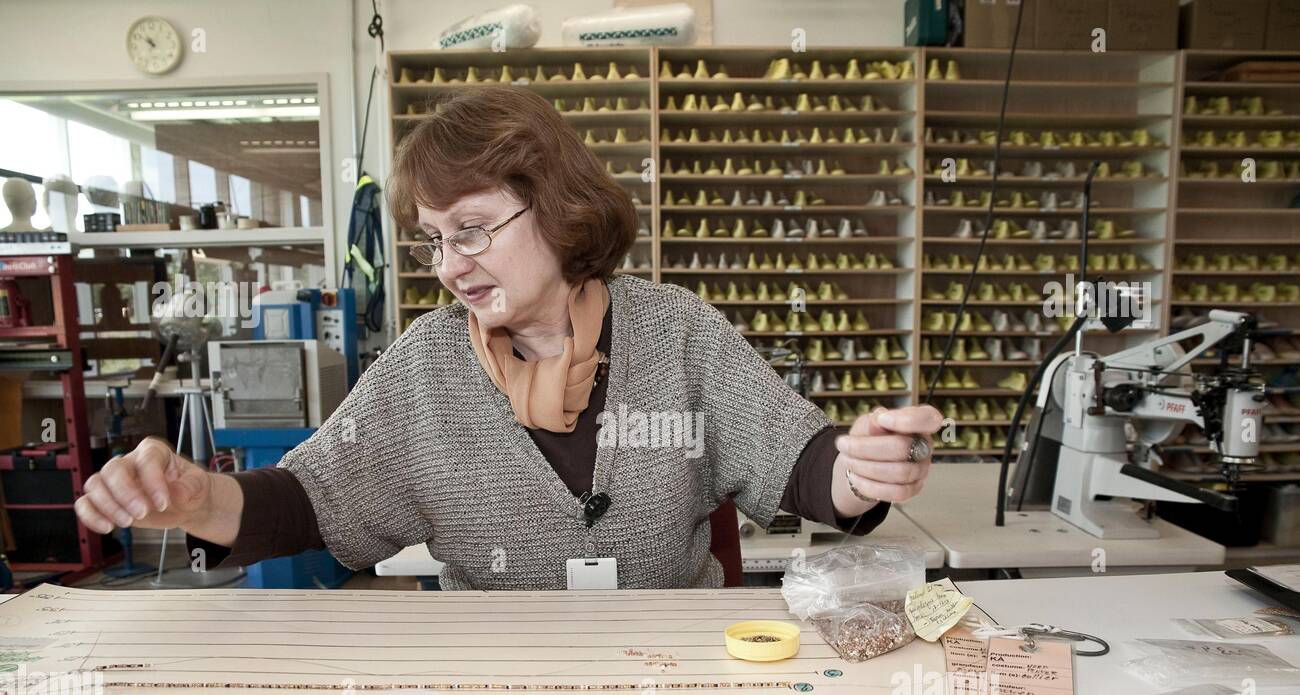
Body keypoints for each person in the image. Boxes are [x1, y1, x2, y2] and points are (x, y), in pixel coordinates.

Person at [74, 86, 941, 590]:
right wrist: (197, 502)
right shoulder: (424, 369)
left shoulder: (675, 332)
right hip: (496, 686)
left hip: (677, 676)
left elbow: (801, 464)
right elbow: (311, 500)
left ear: (559, 211)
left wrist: (862, 469)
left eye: (475, 229)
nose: (451, 266)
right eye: (435, 239)